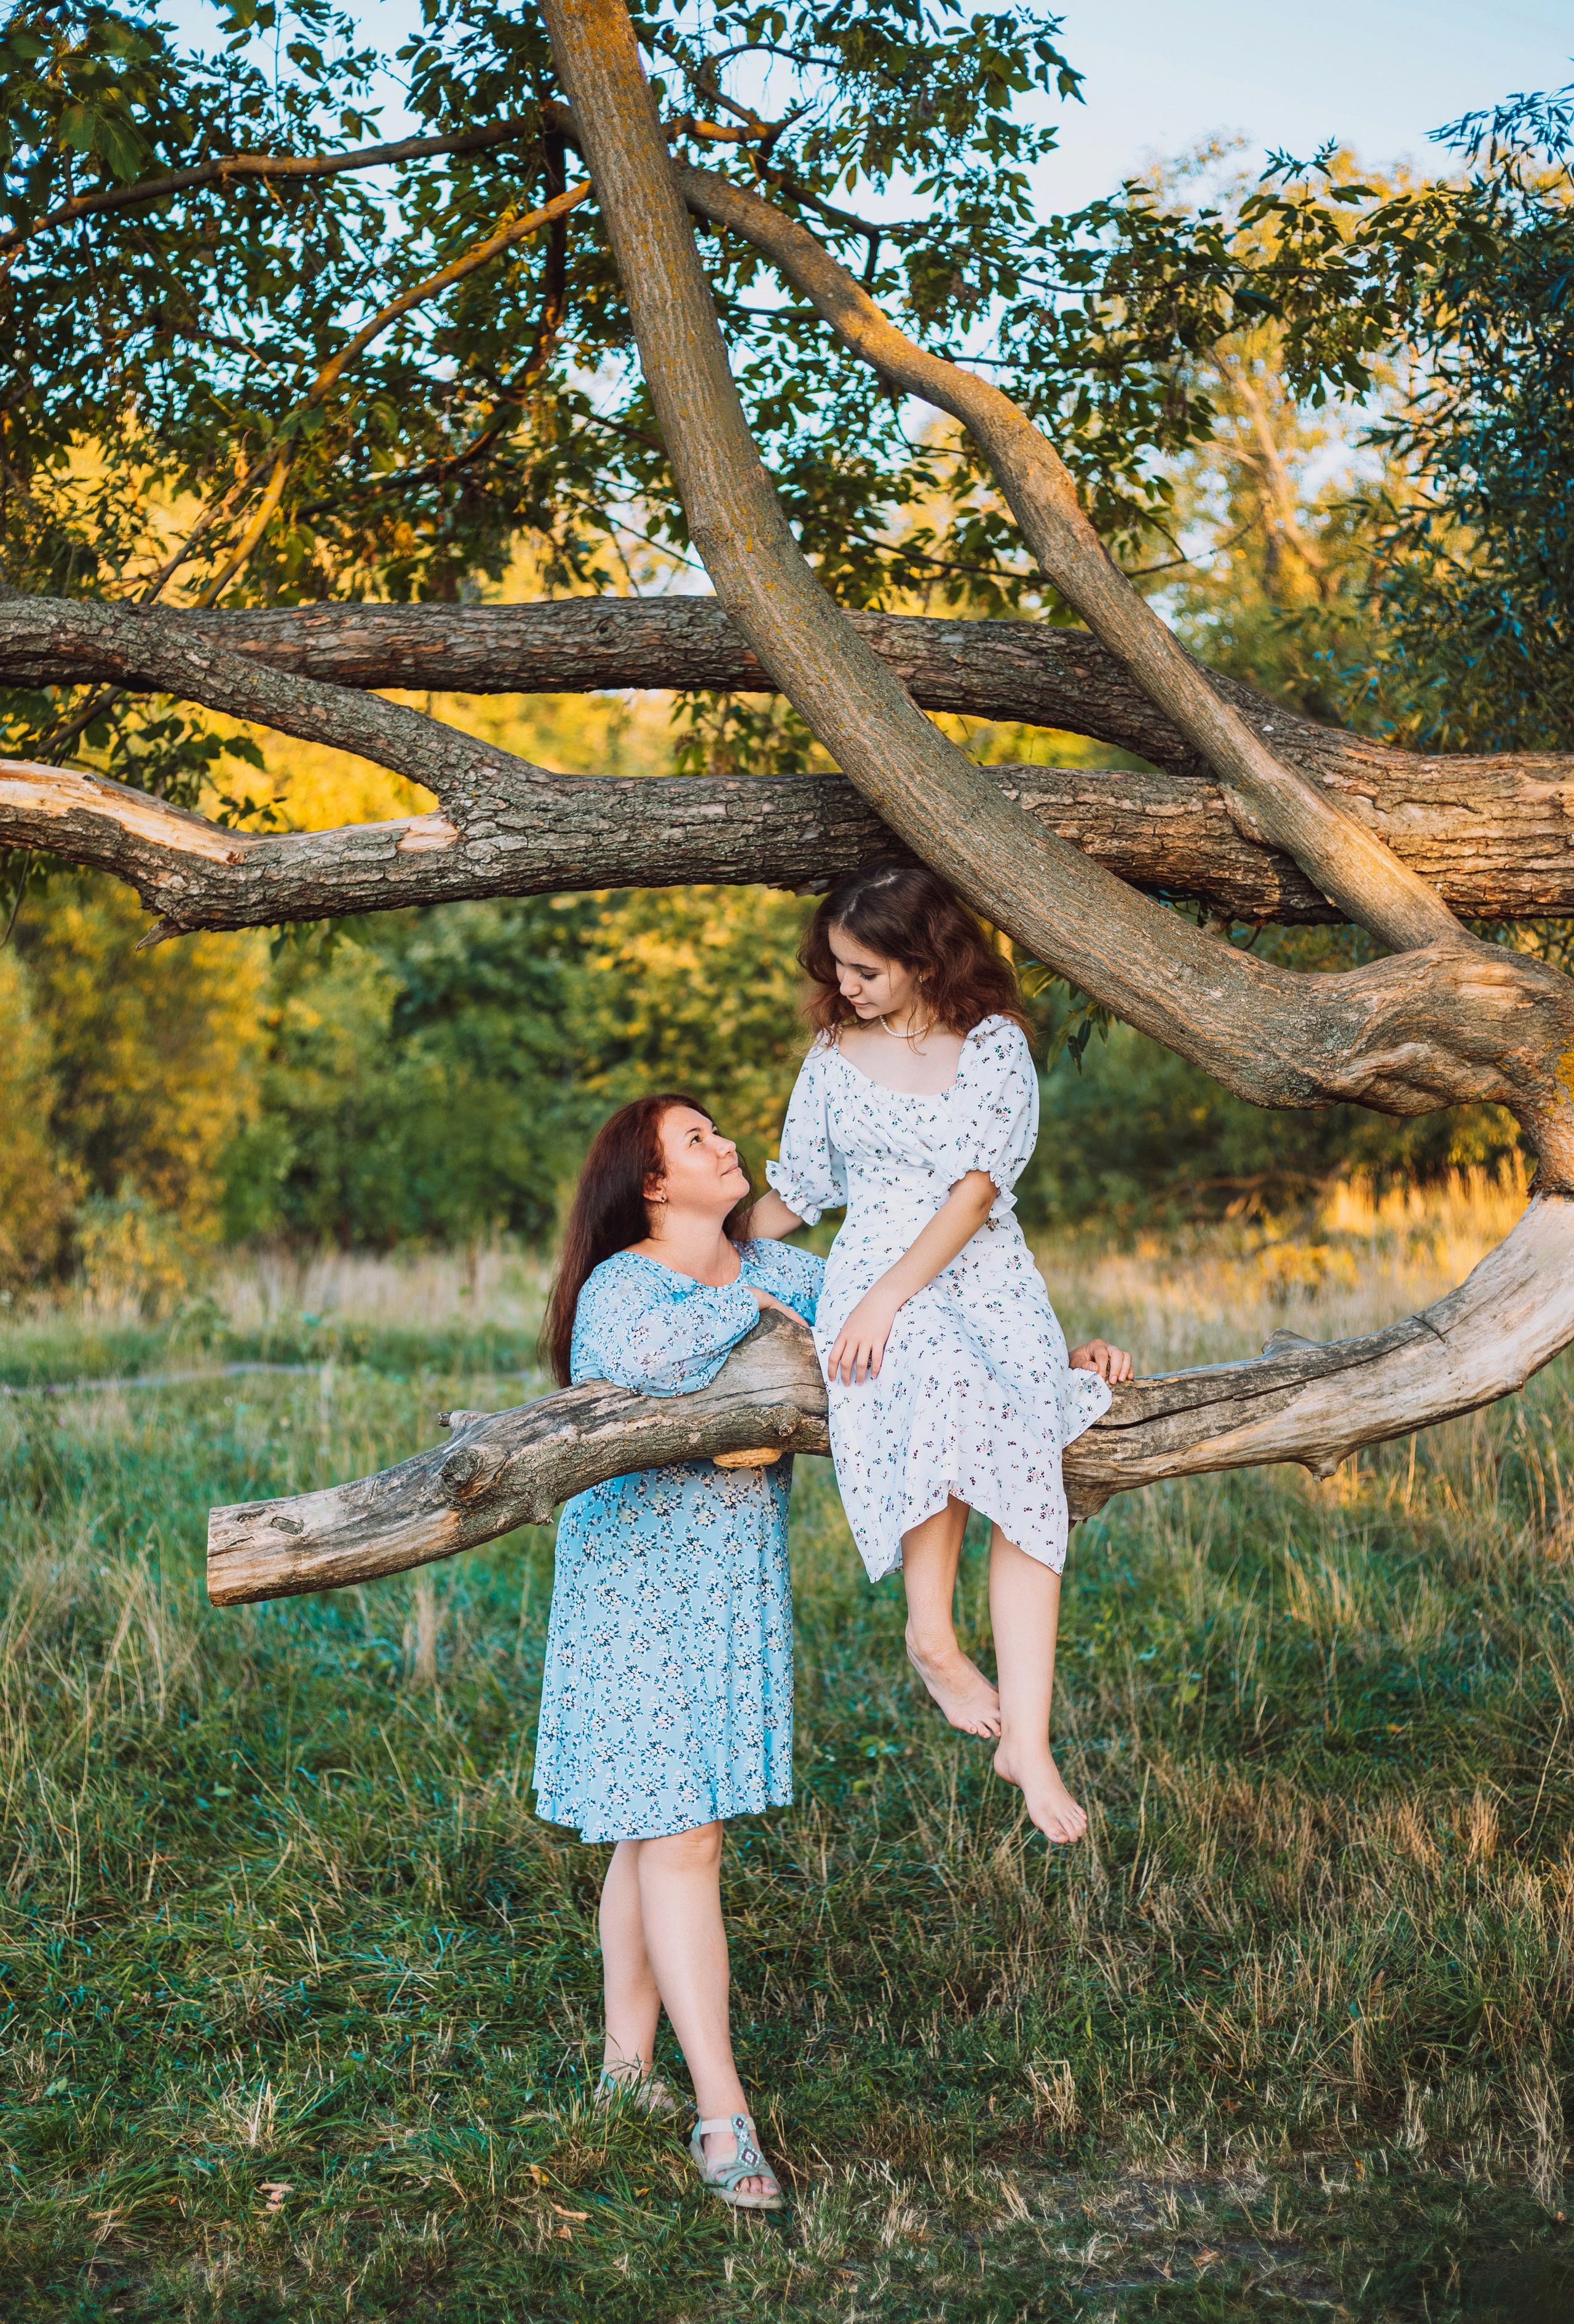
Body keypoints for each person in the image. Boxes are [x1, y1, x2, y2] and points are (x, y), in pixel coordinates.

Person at [748, 861, 1133, 1846]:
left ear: (925, 960)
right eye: (837, 967)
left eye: (866, 970)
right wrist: (684, 1241)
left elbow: (973, 1193)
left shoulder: (996, 1046)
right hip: (878, 1283)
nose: (845, 987)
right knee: (944, 1375)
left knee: (1028, 1468)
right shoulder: (832, 1051)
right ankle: (930, 1633)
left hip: (984, 1277)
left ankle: (1030, 1741)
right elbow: (797, 1192)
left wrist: (893, 1293)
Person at [533, 1093, 821, 2212]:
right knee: (680, 1834)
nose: (725, 1146)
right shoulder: (626, 1285)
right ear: (653, 1185)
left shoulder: (769, 1271)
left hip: (728, 1594)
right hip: (634, 1597)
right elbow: (666, 1364)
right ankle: (722, 2113)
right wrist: (768, 1313)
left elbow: (884, 1309)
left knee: (650, 1835)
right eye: (696, 1139)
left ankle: (622, 2070)